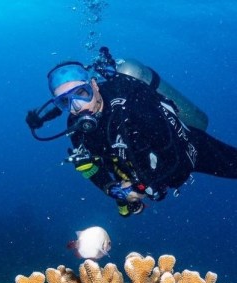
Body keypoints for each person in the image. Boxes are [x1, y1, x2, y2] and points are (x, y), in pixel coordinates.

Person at [26, 47, 237, 217]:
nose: (77, 106)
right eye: (65, 101)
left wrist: (142, 186)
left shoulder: (131, 103)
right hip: (145, 172)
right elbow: (88, 167)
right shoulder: (77, 130)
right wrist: (113, 189)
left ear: (94, 85)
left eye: (81, 93)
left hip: (192, 149)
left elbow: (174, 156)